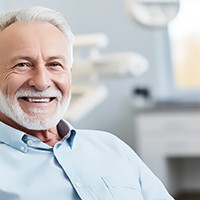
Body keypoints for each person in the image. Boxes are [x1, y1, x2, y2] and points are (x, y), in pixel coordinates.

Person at [0, 6, 174, 200]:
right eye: (22, 64)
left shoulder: (113, 148)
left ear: (70, 74)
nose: (42, 82)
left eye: (55, 64)